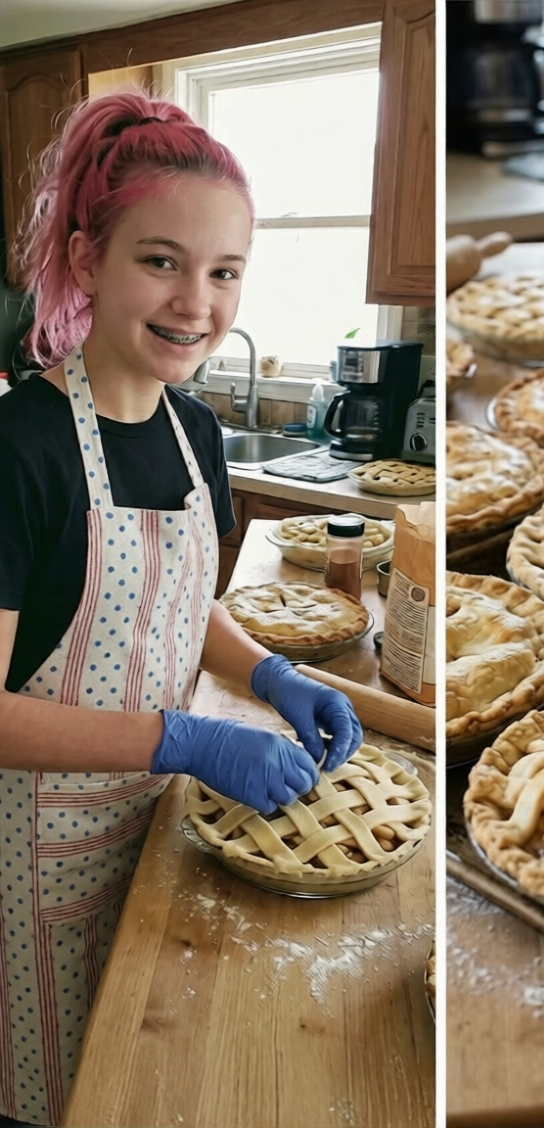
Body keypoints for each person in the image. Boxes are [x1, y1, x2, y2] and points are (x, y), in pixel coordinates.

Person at [0, 90, 363, 1127]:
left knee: (150, 1080)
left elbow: (178, 606)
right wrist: (182, 737)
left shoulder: (196, 433)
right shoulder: (20, 452)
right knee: (60, 1096)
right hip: (44, 858)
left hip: (164, 833)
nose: (196, 303)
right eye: (160, 260)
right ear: (84, 261)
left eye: (224, 271)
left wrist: (270, 672)